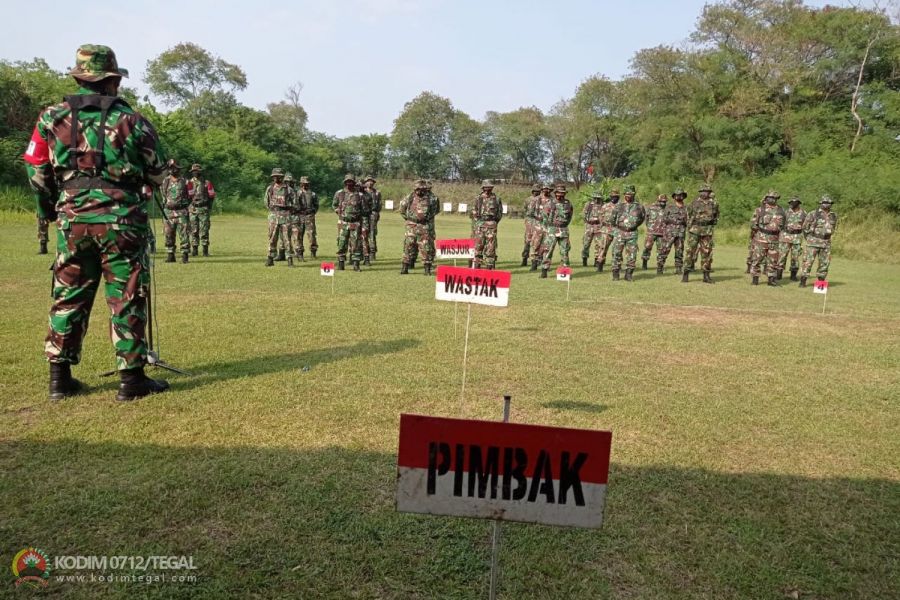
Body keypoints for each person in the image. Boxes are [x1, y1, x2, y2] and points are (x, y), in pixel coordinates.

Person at [23, 44, 169, 401]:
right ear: (111, 82)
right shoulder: (132, 120)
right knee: (126, 294)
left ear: (80, 78)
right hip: (121, 222)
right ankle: (131, 381)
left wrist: (51, 209)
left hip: (72, 219)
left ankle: (60, 379)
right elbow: (161, 172)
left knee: (68, 293)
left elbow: (35, 169)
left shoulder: (50, 118)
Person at [682, 184, 719, 284]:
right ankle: (686, 274)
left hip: (707, 231)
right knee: (690, 252)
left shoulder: (714, 203)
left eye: (707, 191)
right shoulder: (693, 203)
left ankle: (706, 276)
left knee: (707, 253)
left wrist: (710, 224)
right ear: (700, 192)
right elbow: (688, 216)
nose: (705, 193)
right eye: (703, 191)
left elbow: (716, 216)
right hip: (695, 230)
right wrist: (690, 227)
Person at [799, 196, 838, 287]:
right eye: (824, 202)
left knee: (824, 263)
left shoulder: (834, 215)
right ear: (820, 203)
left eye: (828, 203)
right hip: (813, 241)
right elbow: (805, 227)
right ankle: (803, 281)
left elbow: (834, 227)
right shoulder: (813, 213)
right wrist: (809, 238)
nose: (826, 204)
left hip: (826, 243)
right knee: (808, 262)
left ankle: (820, 284)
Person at [749, 191, 786, 286]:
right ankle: (755, 278)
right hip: (761, 238)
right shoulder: (760, 210)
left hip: (775, 239)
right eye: (770, 197)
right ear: (766, 199)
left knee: (773, 260)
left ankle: (771, 279)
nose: (772, 199)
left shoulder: (781, 210)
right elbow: (753, 224)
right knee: (757, 259)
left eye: (774, 198)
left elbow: (784, 225)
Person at [610, 185, 645, 281]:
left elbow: (642, 218)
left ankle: (629, 274)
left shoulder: (639, 206)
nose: (629, 195)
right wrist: (620, 227)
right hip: (620, 232)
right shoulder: (618, 206)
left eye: (631, 194)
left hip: (632, 234)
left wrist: (634, 225)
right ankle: (615, 274)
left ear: (634, 194)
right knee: (616, 253)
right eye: (627, 194)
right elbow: (612, 220)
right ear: (624, 194)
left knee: (632, 254)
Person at [401, 180, 434, 275]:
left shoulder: (430, 199)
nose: (420, 191)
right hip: (411, 226)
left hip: (424, 226)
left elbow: (434, 210)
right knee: (408, 246)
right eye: (418, 189)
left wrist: (426, 219)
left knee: (425, 247)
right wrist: (409, 219)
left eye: (422, 189)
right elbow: (402, 209)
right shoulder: (409, 197)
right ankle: (405, 268)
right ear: (415, 189)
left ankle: (427, 269)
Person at [264, 168, 296, 267]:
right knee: (272, 238)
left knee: (286, 238)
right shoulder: (270, 188)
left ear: (282, 177)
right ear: (272, 177)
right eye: (274, 176)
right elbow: (266, 202)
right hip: (273, 216)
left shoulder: (289, 189)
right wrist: (273, 211)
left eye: (278, 176)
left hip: (285, 216)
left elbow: (295, 204)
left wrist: (287, 210)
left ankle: (289, 259)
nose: (276, 178)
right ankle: (270, 258)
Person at [540, 184, 573, 278]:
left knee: (565, 251)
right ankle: (544, 270)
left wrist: (564, 225)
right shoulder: (550, 203)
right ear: (555, 193)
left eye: (562, 193)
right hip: (552, 229)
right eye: (559, 193)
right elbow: (545, 217)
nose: (560, 195)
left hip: (564, 230)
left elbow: (570, 216)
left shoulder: (568, 203)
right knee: (548, 250)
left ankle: (565, 272)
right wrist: (549, 228)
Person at [161, 159, 190, 263]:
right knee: (169, 233)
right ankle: (170, 255)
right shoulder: (165, 181)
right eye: (171, 168)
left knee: (184, 233)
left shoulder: (185, 181)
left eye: (175, 168)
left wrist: (186, 206)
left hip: (181, 211)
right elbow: (163, 195)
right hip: (168, 212)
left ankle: (185, 255)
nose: (173, 170)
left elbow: (190, 195)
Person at [332, 173, 364, 271]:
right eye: (347, 182)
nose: (349, 183)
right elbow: (334, 205)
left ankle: (356, 264)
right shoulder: (339, 193)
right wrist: (338, 211)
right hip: (343, 222)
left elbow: (364, 209)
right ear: (345, 182)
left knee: (356, 244)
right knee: (341, 243)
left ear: (354, 183)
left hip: (355, 223)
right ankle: (341, 263)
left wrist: (359, 217)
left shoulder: (359, 195)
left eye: (351, 181)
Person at [470, 180, 503, 269]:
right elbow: (473, 211)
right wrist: (478, 221)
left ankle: (489, 269)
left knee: (491, 248)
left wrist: (494, 222)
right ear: (483, 188)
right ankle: (477, 268)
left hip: (491, 225)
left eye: (490, 187)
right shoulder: (478, 198)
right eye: (486, 187)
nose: (488, 189)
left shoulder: (496, 199)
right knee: (478, 247)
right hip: (480, 225)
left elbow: (499, 213)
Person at [186, 163, 216, 257]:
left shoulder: (207, 183)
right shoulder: (188, 183)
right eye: (193, 171)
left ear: (200, 171)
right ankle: (194, 250)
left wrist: (208, 207)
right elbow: (185, 196)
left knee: (204, 230)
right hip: (193, 209)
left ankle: (205, 251)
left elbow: (212, 195)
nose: (195, 173)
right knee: (193, 230)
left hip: (203, 209)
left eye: (197, 171)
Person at [659, 189, 688, 274]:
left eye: (681, 195)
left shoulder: (686, 208)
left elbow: (689, 220)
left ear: (683, 196)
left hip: (681, 232)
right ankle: (660, 267)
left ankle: (678, 268)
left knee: (679, 251)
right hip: (670, 232)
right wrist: (674, 220)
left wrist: (684, 222)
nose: (679, 196)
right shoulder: (669, 207)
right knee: (665, 250)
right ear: (674, 197)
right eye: (677, 195)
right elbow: (664, 219)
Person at [779, 197, 806, 281]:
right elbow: (780, 223)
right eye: (790, 202)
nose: (791, 204)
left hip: (797, 237)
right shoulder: (785, 212)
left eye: (793, 202)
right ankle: (778, 274)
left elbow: (806, 225)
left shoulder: (803, 213)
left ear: (798, 203)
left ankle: (793, 275)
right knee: (782, 255)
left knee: (795, 257)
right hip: (785, 236)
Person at [528, 184, 553, 270]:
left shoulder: (553, 200)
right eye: (545, 189)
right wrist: (537, 217)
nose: (547, 191)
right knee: (535, 244)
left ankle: (545, 265)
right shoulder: (536, 199)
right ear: (542, 190)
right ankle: (534, 264)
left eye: (548, 189)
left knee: (547, 246)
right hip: (538, 225)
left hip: (549, 226)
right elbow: (530, 212)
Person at [595, 189, 620, 272]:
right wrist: (603, 225)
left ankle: (617, 266)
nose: (614, 198)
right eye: (612, 196)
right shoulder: (605, 206)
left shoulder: (621, 206)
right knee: (603, 248)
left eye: (616, 197)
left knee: (617, 249)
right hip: (606, 229)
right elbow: (600, 216)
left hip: (618, 229)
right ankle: (600, 265)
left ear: (618, 197)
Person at [642, 194, 668, 272]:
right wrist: (650, 227)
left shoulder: (667, 209)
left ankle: (660, 267)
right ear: (658, 201)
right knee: (647, 247)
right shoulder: (651, 208)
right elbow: (646, 219)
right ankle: (644, 262)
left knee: (661, 251)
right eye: (661, 201)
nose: (663, 203)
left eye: (664, 201)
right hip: (651, 232)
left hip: (662, 233)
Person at [581, 191, 604, 267]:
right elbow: (584, 215)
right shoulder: (588, 205)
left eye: (598, 198)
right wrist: (588, 222)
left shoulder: (603, 206)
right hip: (589, 227)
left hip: (598, 227)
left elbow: (604, 217)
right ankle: (584, 259)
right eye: (595, 198)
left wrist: (600, 223)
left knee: (598, 245)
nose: (596, 200)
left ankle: (596, 261)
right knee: (586, 244)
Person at [298, 176, 319, 258]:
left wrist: (312, 212)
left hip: (309, 216)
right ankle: (300, 252)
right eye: (303, 184)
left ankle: (313, 252)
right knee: (299, 235)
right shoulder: (297, 193)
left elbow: (316, 205)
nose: (305, 185)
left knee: (312, 235)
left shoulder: (313, 194)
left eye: (306, 184)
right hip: (300, 216)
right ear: (301, 184)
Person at [523, 183, 541, 266]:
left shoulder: (541, 200)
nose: (536, 193)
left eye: (538, 191)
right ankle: (524, 258)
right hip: (529, 221)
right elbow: (525, 209)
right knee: (527, 241)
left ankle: (537, 259)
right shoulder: (527, 200)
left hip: (538, 221)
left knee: (538, 241)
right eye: (534, 191)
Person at [364, 176, 381, 260]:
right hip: (364, 215)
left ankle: (372, 252)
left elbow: (379, 205)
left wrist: (376, 214)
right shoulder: (362, 192)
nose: (370, 183)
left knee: (372, 234)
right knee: (363, 234)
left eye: (372, 181)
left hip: (373, 214)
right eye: (368, 181)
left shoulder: (377, 193)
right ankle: (364, 252)